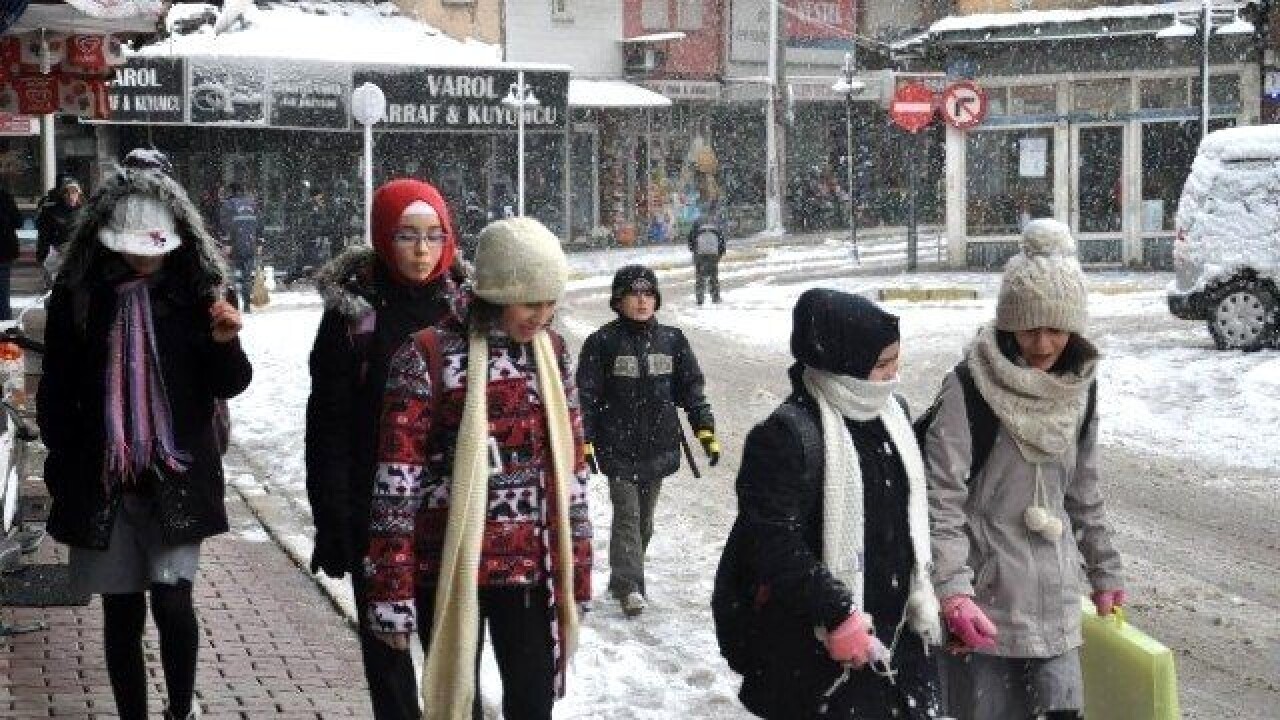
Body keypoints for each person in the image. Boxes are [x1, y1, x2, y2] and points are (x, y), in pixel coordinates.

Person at [36, 155, 251, 720]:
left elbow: (230, 383)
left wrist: (225, 341)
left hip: (175, 473)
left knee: (175, 600)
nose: (145, 257)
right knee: (121, 611)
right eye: (133, 246)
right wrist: (60, 466)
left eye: (155, 247)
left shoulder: (197, 291)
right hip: (102, 475)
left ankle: (180, 711)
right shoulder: (80, 294)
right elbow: (57, 387)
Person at [364, 217, 592, 720]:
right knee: (455, 703)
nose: (542, 314)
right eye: (529, 301)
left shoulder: (551, 352)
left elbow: (571, 469)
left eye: (550, 301)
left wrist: (578, 565)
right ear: (494, 292)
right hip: (446, 566)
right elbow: (396, 485)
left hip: (529, 570)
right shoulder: (426, 355)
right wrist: (390, 591)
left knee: (532, 704)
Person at [923, 219, 1125, 720]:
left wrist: (1104, 567)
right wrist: (952, 593)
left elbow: (1083, 490)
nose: (1042, 344)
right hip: (983, 604)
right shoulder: (968, 390)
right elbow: (940, 500)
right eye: (1030, 328)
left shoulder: (1080, 389)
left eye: (1056, 328)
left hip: (1055, 602)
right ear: (1009, 323)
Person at [723, 288, 943, 719]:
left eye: (896, 359)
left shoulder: (891, 415)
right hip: (817, 658)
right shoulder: (786, 436)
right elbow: (772, 543)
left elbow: (911, 521)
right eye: (882, 364)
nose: (894, 372)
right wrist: (839, 614)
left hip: (898, 643)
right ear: (845, 361)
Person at [305, 178, 467, 720]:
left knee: (453, 661)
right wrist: (333, 518)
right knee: (388, 658)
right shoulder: (355, 317)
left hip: (453, 517)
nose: (423, 251)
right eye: (407, 236)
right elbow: (327, 425)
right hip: (374, 517)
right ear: (382, 237)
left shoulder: (466, 310)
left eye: (433, 235)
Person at [576, 264, 717, 617]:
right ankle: (630, 587)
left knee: (643, 521)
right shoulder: (602, 342)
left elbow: (691, 390)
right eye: (634, 294)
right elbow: (586, 398)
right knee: (627, 515)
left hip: (659, 444)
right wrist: (585, 440)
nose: (642, 301)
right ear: (618, 300)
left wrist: (705, 429)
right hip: (616, 446)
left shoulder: (672, 340)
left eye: (648, 293)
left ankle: (622, 576)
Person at [218, 182, 259, 311]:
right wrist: (260, 242)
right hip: (250, 243)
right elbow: (260, 223)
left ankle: (233, 305)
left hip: (235, 245)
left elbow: (225, 226)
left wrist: (227, 243)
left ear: (231, 191)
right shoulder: (252, 204)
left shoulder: (228, 205)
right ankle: (246, 305)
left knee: (233, 276)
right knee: (247, 276)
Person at [36, 175, 84, 282]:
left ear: (79, 194)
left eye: (74, 192)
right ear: (63, 195)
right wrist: (42, 254)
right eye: (67, 193)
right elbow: (44, 235)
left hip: (78, 256)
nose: (71, 196)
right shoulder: (52, 211)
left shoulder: (85, 211)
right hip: (57, 253)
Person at [687, 219, 725, 305]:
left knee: (700, 276)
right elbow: (722, 241)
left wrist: (694, 250)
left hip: (700, 253)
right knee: (713, 276)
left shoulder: (697, 223)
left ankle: (700, 298)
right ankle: (715, 297)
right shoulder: (715, 223)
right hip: (713, 253)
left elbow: (690, 239)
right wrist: (720, 254)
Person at [0, 184, 22, 320]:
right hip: (4, 252)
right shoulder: (5, 197)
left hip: (3, 251)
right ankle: (4, 323)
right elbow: (18, 221)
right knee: (3, 290)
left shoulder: (5, 197)